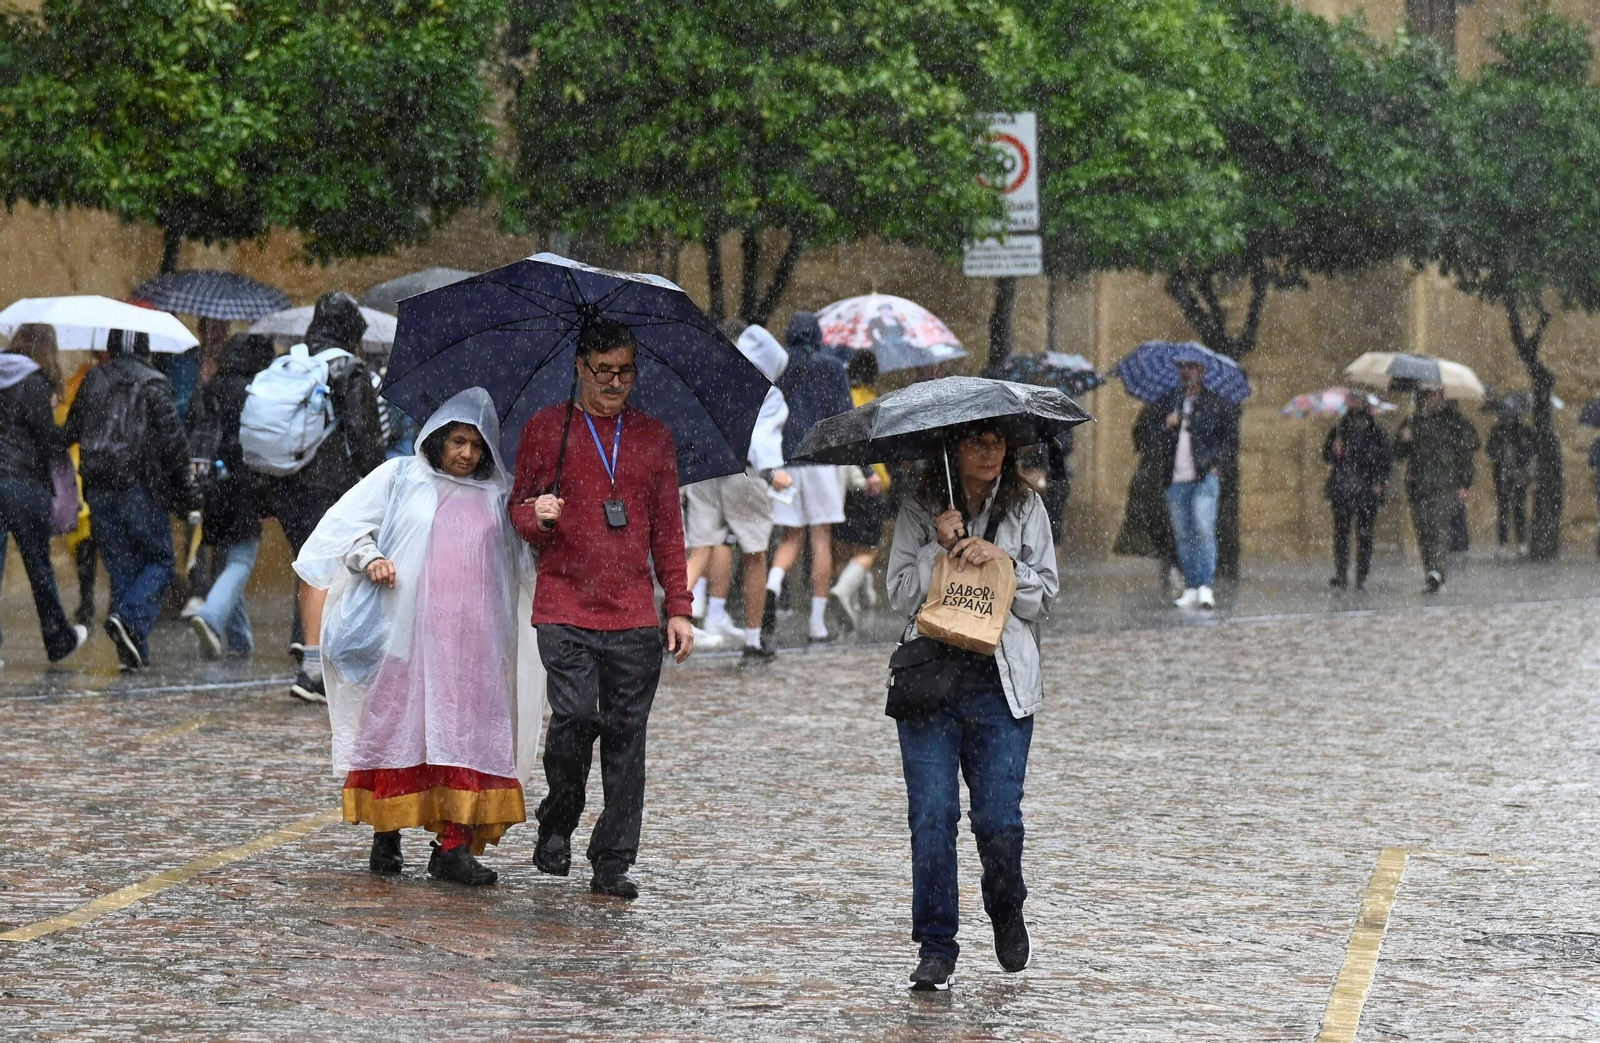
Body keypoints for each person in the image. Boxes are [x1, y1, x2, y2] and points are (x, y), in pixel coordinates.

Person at [295, 388, 541, 885]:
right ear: (435, 440)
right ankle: (386, 833)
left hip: (476, 648)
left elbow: (525, 564)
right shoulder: (399, 479)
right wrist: (372, 559)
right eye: (456, 441)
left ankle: (454, 846)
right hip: (408, 640)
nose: (467, 454)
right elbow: (342, 531)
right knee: (399, 731)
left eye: (476, 444)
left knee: (466, 739)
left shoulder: (500, 495)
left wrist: (543, 521)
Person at [510, 318, 695, 900]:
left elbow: (668, 529)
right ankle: (558, 820)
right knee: (572, 720)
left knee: (626, 737)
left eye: (626, 371)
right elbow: (517, 512)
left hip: (635, 614)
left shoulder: (654, 437)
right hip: (563, 604)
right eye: (604, 371)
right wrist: (536, 515)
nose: (616, 383)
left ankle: (613, 858)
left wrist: (679, 607)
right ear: (580, 367)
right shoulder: (547, 430)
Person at [884, 423, 1059, 991]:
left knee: (999, 822)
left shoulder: (1026, 506)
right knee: (932, 817)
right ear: (953, 446)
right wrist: (940, 546)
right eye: (977, 441)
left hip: (1001, 686)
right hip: (931, 683)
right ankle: (936, 944)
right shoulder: (920, 509)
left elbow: (1044, 598)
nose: (990, 451)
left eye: (999, 442)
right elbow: (901, 595)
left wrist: (1000, 558)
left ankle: (1006, 905)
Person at [252, 292, 386, 702]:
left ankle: (312, 656)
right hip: (328, 487)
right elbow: (365, 439)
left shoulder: (294, 361)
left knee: (312, 567)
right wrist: (378, 480)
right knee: (328, 570)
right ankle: (314, 671)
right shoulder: (348, 369)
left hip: (285, 482)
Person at [63, 329, 198, 669]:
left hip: (98, 487)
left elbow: (71, 431)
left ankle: (132, 651)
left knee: (122, 567)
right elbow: (174, 445)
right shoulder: (154, 383)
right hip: (140, 487)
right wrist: (189, 493)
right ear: (144, 348)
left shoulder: (93, 380)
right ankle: (130, 619)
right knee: (160, 561)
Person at [683, 320, 792, 661]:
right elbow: (760, 441)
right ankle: (753, 640)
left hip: (705, 467)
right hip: (742, 473)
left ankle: (673, 612)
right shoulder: (768, 393)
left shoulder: (712, 381)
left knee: (700, 548)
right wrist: (772, 472)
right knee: (754, 554)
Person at [0, 325, 89, 665]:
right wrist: (68, 422)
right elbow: (49, 442)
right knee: (38, 567)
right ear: (45, 349)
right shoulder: (35, 383)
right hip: (24, 484)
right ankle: (57, 638)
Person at [184, 334, 275, 658]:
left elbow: (193, 431)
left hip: (212, 486)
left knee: (225, 560)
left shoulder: (210, 387)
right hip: (245, 484)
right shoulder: (257, 390)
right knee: (240, 560)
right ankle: (210, 617)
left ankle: (239, 640)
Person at [769, 311, 854, 642]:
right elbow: (845, 415)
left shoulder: (780, 365)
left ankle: (773, 583)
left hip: (787, 460)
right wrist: (863, 467)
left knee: (791, 537)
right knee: (821, 538)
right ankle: (817, 625)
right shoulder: (832, 366)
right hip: (822, 459)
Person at [1138, 351, 1239, 609]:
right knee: (1184, 535)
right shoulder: (1170, 401)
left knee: (1203, 528)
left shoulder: (1216, 403)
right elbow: (1146, 436)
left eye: (1191, 367)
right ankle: (1192, 585)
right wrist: (1166, 425)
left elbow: (1230, 441)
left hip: (1204, 477)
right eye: (1182, 367)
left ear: (1202, 370)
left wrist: (1216, 464)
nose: (1186, 371)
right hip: (1175, 479)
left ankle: (1205, 585)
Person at [828, 350, 893, 631]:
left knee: (843, 549)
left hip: (845, 486)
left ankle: (849, 612)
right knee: (869, 549)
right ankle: (844, 593)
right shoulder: (876, 402)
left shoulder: (843, 399)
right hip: (873, 483)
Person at [1395, 387, 1478, 593]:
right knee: (1423, 530)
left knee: (1438, 528)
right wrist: (1403, 440)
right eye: (1426, 394)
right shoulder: (1412, 421)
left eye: (1433, 394)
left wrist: (1465, 482)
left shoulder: (1452, 421)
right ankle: (1431, 572)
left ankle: (1437, 571)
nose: (1429, 398)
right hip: (1417, 484)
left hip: (1444, 484)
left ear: (1442, 396)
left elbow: (1466, 450)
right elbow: (1398, 453)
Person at [1323, 405, 1392, 591]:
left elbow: (1385, 461)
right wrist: (1334, 449)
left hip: (1367, 491)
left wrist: (1379, 481)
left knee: (1365, 534)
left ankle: (1362, 575)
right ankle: (1341, 573)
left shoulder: (1377, 434)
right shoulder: (1339, 431)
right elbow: (1327, 457)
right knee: (1341, 533)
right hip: (1343, 489)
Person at [1114, 404, 1179, 591]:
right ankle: (1170, 564)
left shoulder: (1197, 408)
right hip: (1155, 477)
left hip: (1182, 476)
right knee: (1159, 522)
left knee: (1178, 525)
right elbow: (1141, 439)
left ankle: (1176, 567)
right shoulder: (1157, 406)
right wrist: (1164, 426)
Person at [1486, 410, 1535, 558]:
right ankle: (1503, 543)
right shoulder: (1496, 432)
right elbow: (1490, 451)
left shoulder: (1523, 431)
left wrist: (1521, 457)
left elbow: (1530, 450)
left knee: (1519, 508)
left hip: (1519, 475)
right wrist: (1499, 450)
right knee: (1503, 510)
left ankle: (1521, 542)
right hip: (1503, 476)